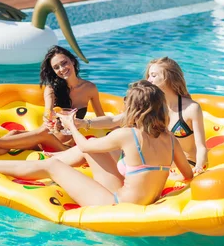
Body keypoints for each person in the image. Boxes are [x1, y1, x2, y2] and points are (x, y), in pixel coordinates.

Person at [0, 81, 194, 207]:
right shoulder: (170, 139)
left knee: (56, 166)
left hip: (116, 203)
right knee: (84, 150)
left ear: (132, 108)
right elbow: (187, 174)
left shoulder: (127, 134)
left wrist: (71, 124)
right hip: (134, 196)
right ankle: (42, 158)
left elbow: (88, 146)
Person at [72, 57, 208, 175]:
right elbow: (114, 120)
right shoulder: (151, 103)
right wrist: (84, 123)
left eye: (153, 75)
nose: (148, 80)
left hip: (183, 166)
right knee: (91, 146)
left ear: (169, 77)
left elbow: (201, 146)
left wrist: (199, 167)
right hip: (154, 163)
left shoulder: (191, 108)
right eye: (148, 75)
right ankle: (55, 158)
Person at [0, 45, 105, 158]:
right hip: (43, 139)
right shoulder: (51, 89)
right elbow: (48, 112)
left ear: (72, 61)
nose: (62, 69)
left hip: (64, 147)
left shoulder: (89, 88)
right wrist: (50, 116)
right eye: (56, 67)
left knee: (43, 134)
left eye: (64, 63)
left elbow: (101, 117)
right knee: (15, 134)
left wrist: (117, 129)